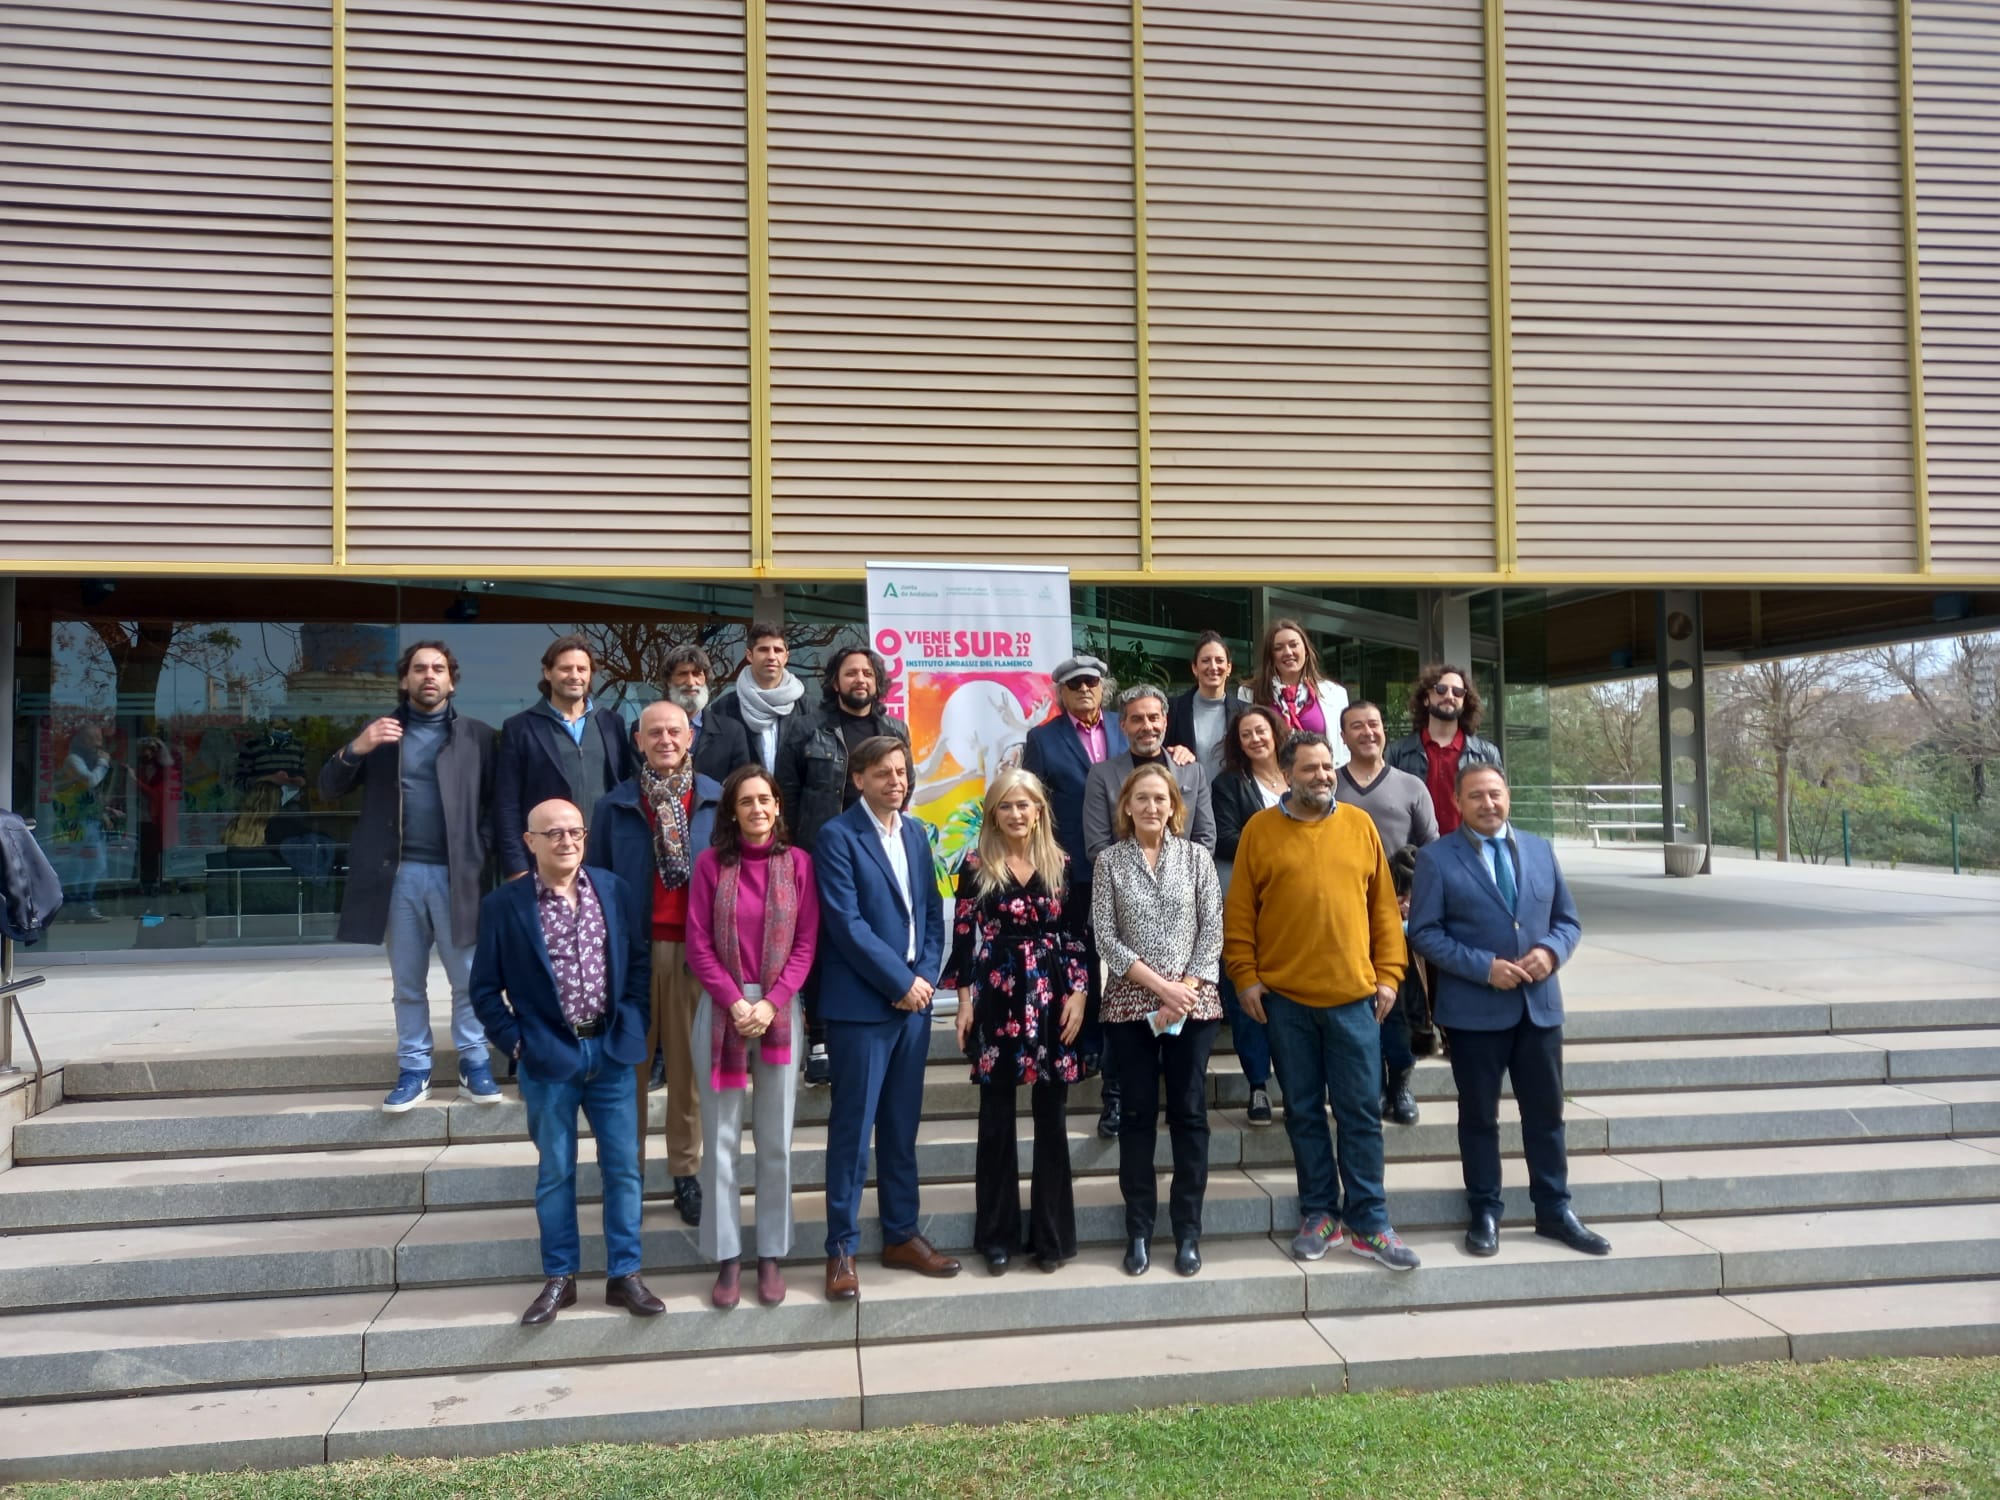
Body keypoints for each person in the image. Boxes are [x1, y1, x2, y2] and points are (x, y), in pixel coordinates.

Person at [1224, 731, 1420, 1272]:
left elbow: (1384, 909)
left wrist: (1388, 977)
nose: (1323, 776)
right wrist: (1245, 977)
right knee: (1305, 1112)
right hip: (1285, 1003)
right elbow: (1239, 914)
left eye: (1328, 768)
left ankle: (1371, 1221)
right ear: (1286, 774)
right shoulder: (1259, 832)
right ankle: (1319, 1213)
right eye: (1310, 768)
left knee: (1360, 1112)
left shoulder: (1359, 827)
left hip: (1355, 1001)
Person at [468, 798, 663, 1326]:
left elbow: (638, 962)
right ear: (529, 842)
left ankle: (625, 1275)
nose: (566, 841)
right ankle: (561, 1277)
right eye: (552, 833)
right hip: (548, 1059)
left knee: (623, 1168)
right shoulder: (504, 906)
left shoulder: (613, 890)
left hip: (613, 1052)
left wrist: (634, 1021)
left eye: (574, 831)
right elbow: (484, 991)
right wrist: (518, 1043)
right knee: (556, 1171)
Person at [1407, 763, 1609, 1260]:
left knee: (1546, 1115)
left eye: (1494, 794)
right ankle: (1485, 1211)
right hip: (1474, 1013)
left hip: (1539, 1010)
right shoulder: (1437, 858)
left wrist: (1551, 952)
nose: (1487, 804)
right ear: (1458, 802)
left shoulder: (1541, 850)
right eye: (1476, 796)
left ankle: (1554, 1210)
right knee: (1478, 1118)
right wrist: (1484, 967)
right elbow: (1424, 933)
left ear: (1508, 797)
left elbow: (1567, 920)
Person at [319, 641, 499, 1114]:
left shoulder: (478, 736)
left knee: (467, 977)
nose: (429, 676)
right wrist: (358, 746)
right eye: (419, 669)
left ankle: (474, 1062)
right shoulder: (381, 734)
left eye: (438, 669)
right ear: (404, 680)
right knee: (408, 983)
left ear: (452, 681)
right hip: (398, 877)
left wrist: (478, 849)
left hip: (457, 875)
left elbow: (493, 806)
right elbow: (327, 787)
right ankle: (414, 1068)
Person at [814, 734, 960, 1301]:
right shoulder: (837, 836)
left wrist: (922, 979)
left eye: (901, 771)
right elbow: (846, 924)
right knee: (852, 1133)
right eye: (882, 773)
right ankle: (841, 1249)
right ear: (858, 780)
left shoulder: (918, 834)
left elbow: (930, 912)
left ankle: (901, 1234)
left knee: (901, 1129)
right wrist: (900, 983)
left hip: (913, 1008)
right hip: (862, 1010)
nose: (896, 781)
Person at [685, 764, 820, 1309]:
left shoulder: (800, 866)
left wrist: (769, 1002)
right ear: (733, 811)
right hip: (722, 1010)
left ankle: (769, 1253)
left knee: (774, 1141)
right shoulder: (710, 866)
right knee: (718, 1142)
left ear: (778, 806)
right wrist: (738, 1001)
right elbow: (698, 946)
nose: (758, 809)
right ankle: (726, 1258)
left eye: (766, 799)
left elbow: (807, 945)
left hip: (779, 1012)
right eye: (747, 802)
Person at [945, 768, 1089, 1275]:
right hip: (998, 995)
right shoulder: (975, 863)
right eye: (1005, 805)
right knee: (996, 1119)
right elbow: (964, 937)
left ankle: (1051, 1237)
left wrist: (1079, 994)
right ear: (993, 813)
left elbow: (1077, 936)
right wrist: (964, 1001)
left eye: (1024, 804)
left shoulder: (1063, 864)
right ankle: (998, 1236)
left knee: (1052, 1118)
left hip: (1053, 995)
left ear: (1039, 810)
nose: (1015, 814)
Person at [1092, 762, 1223, 1279]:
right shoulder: (1109, 862)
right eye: (1141, 798)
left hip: (1193, 1007)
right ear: (1126, 806)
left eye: (1160, 799)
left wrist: (1182, 992)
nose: (1151, 807)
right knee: (1138, 1116)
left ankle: (1188, 1232)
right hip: (1130, 1006)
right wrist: (1159, 988)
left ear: (1175, 806)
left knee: (1190, 1114)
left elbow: (1212, 930)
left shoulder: (1196, 859)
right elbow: (1106, 936)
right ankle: (1140, 1230)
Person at [595, 700, 723, 1226]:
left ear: (690, 736)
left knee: (690, 1074)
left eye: (675, 730)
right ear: (638, 740)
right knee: (629, 1072)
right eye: (655, 732)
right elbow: (597, 886)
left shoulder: (717, 799)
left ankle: (685, 1172)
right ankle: (627, 1175)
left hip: (697, 955)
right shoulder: (615, 805)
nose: (665, 739)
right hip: (634, 956)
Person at [776, 644, 911, 1087]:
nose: (860, 680)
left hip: (878, 853)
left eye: (868, 673)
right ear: (835, 681)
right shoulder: (805, 729)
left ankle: (878, 1015)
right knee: (821, 944)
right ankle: (819, 1037)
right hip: (822, 852)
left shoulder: (894, 728)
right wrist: (794, 851)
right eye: (851, 673)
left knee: (875, 934)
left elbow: (903, 789)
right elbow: (788, 794)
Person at [1082, 684, 1213, 1141]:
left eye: (1154, 718)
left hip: (1182, 921)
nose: (1147, 726)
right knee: (1124, 1033)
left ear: (1165, 721)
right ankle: (1113, 1099)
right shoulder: (1103, 774)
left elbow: (1206, 838)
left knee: (1185, 1096)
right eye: (1136, 719)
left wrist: (1178, 880)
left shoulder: (1190, 769)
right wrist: (1138, 878)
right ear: (1123, 726)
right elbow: (1097, 845)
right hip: (1126, 917)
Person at [1020, 654, 1125, 1136]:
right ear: (1060, 691)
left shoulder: (1129, 727)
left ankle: (1128, 1047)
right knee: (1081, 958)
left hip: (1131, 868)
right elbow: (1034, 806)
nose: (1086, 688)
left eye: (1093, 681)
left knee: (1126, 958)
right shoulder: (1042, 739)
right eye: (1075, 683)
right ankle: (1087, 1045)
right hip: (1074, 869)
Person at [1338, 699, 1440, 1126]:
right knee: (1357, 1007)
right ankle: (1371, 1085)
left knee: (1396, 1005)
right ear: (1342, 736)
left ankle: (1399, 1083)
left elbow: (1433, 853)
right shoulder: (1332, 785)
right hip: (1344, 918)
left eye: (1374, 724)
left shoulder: (1411, 786)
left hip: (1396, 917)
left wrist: (1414, 897)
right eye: (1356, 726)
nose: (1367, 732)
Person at [495, 635, 637, 881]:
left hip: (603, 857)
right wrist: (516, 867)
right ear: (548, 672)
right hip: (544, 860)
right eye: (565, 668)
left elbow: (624, 789)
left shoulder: (611, 723)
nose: (575, 675)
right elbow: (507, 804)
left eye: (582, 669)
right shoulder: (521, 728)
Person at [1210, 704, 1289, 1128]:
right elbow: (1224, 838)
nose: (1256, 739)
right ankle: (1258, 1084)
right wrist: (1280, 838)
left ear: (1275, 733)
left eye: (1261, 731)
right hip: (1248, 904)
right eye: (1246, 735)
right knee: (1247, 998)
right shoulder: (1229, 784)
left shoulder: (1300, 774)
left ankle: (1296, 1085)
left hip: (1298, 911)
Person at [1387, 663, 1501, 837]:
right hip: (1417, 854)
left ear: (1464, 701)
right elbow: (1390, 807)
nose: (1449, 696)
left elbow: (1498, 807)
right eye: (1441, 689)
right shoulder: (1397, 752)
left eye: (1457, 692)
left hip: (1470, 851)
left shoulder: (1486, 754)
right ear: (1426, 698)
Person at [1248, 619, 1349, 767]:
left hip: (1320, 782)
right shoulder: (1249, 694)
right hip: (1271, 783)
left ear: (1306, 651)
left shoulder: (1335, 693)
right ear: (1270, 656)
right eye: (1278, 648)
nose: (1288, 652)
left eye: (1293, 645)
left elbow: (1345, 748)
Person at [710, 621, 805, 775]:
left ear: (786, 657)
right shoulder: (724, 708)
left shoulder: (806, 708)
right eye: (763, 650)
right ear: (749, 655)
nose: (771, 657)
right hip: (745, 797)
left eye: (778, 650)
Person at [664, 643, 754, 785]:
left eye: (697, 674)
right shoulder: (644, 729)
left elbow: (740, 788)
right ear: (669, 681)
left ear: (706, 679)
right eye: (682, 674)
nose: (690, 682)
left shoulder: (732, 732)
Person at [1165, 631, 1246, 781]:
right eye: (1206, 660)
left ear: (1229, 668)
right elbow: (1159, 756)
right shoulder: (1173, 709)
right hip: (1187, 799)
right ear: (1194, 668)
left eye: (1219, 660)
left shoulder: (1246, 712)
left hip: (1231, 801)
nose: (1213, 667)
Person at [57, 724, 117, 921]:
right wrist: (103, 763)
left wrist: (104, 813)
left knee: (84, 865)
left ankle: (76, 906)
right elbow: (90, 781)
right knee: (93, 864)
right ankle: (82, 905)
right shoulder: (73, 760)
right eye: (94, 739)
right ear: (82, 740)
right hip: (79, 823)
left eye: (100, 739)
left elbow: (88, 796)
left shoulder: (86, 761)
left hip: (89, 821)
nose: (99, 744)